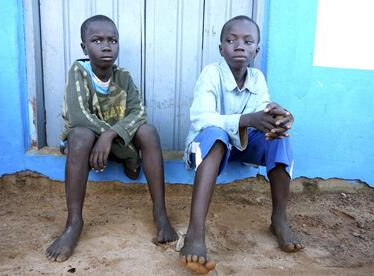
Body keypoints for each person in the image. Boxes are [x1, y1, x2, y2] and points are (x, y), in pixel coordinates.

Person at [46, 15, 178, 262]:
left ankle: (160, 214)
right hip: (88, 144)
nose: (106, 46)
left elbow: (138, 111)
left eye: (112, 40)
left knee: (148, 131)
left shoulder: (123, 76)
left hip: (112, 141)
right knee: (80, 135)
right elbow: (78, 115)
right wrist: (111, 138)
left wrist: (109, 135)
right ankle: (74, 223)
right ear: (84, 47)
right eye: (97, 40)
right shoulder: (79, 71)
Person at [180, 15, 304, 274]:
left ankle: (279, 218)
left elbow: (262, 110)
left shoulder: (257, 78)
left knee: (280, 135)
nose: (239, 46)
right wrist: (246, 119)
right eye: (231, 40)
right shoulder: (211, 74)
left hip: (242, 145)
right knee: (215, 133)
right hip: (206, 150)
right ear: (221, 48)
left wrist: (278, 116)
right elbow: (201, 118)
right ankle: (195, 232)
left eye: (248, 41)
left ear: (256, 50)